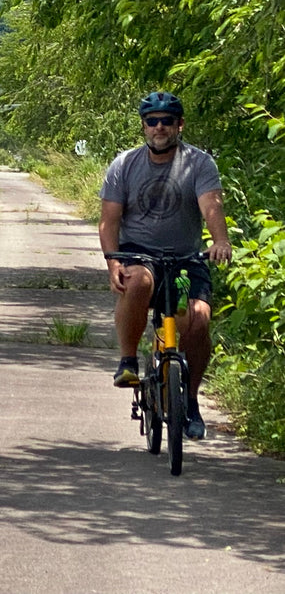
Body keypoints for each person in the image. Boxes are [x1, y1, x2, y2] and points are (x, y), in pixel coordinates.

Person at [99, 90, 231, 440]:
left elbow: (211, 206)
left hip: (185, 256)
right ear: (143, 126)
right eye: (152, 121)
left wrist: (220, 240)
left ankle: (190, 401)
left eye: (167, 121)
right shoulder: (125, 164)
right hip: (138, 253)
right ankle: (128, 361)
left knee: (198, 320)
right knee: (138, 282)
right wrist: (113, 262)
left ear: (179, 125)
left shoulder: (199, 163)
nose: (160, 127)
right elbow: (109, 221)